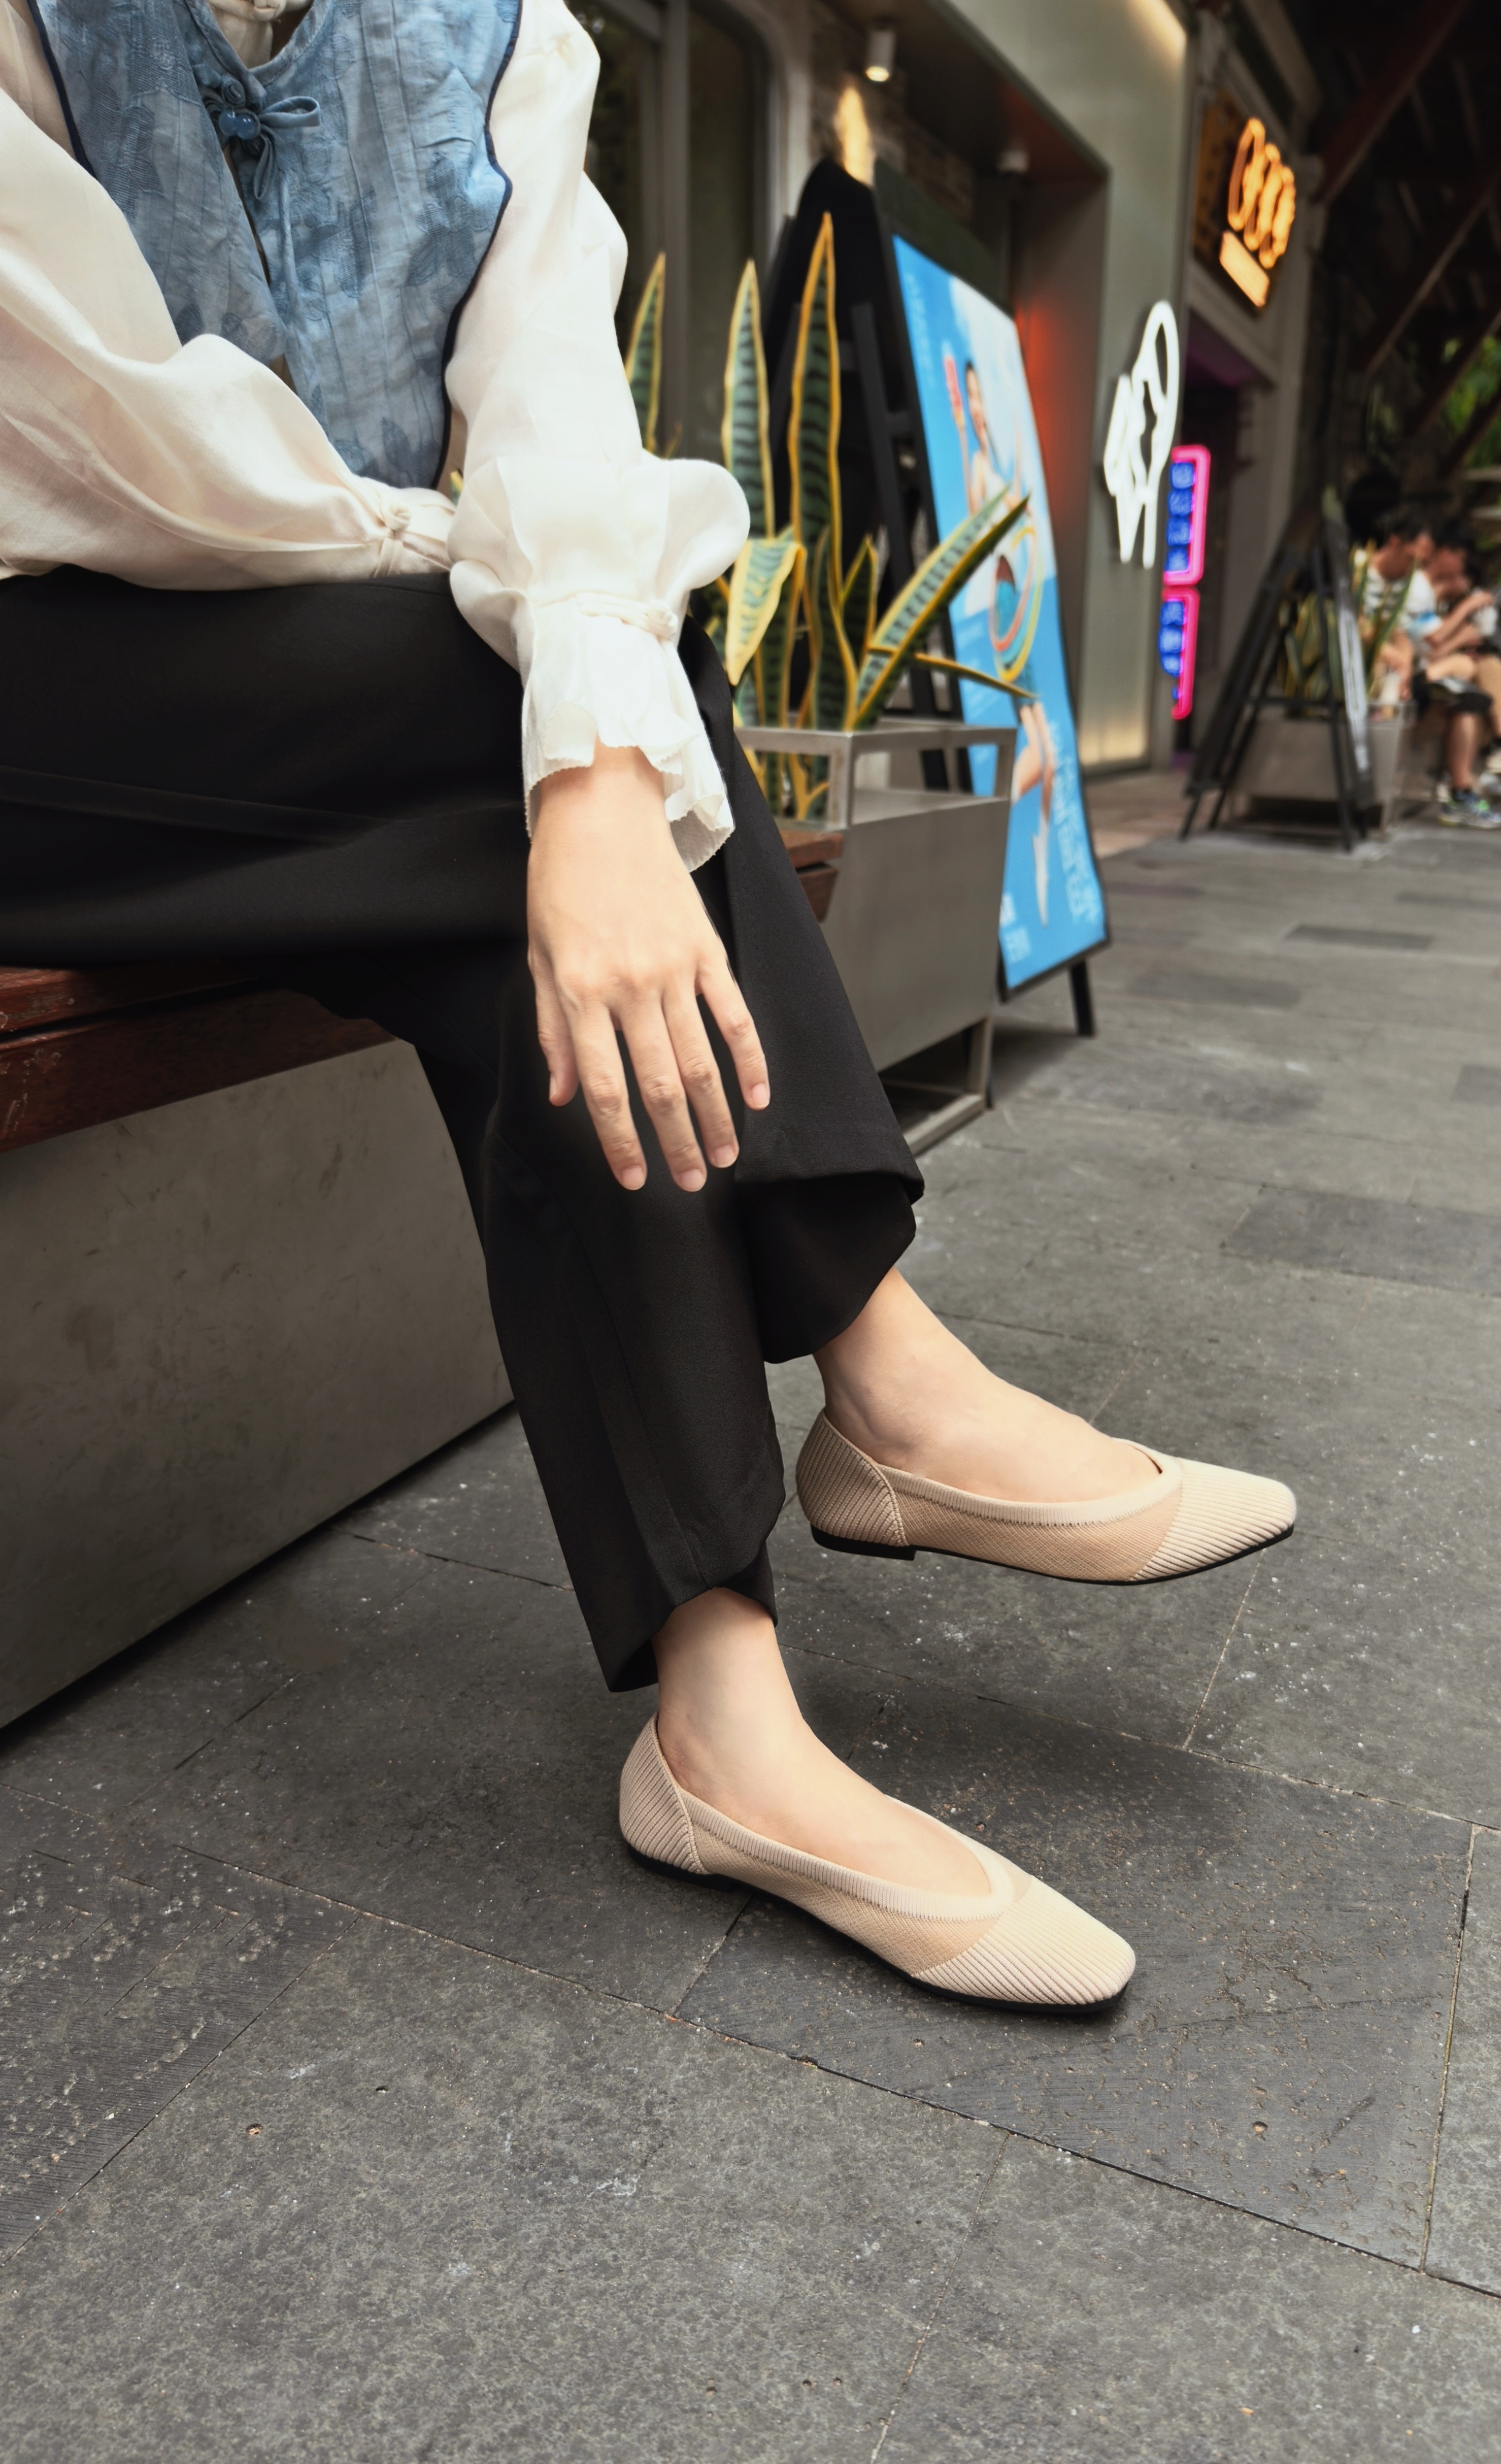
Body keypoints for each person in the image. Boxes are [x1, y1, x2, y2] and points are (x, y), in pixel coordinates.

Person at [0, 0, 1296, 2004]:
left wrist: (579, 754)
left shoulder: (496, 25)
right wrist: (513, 635)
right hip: (55, 694)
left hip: (317, 735)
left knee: (569, 816)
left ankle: (724, 1717)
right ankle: (885, 1377)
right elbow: (109, 448)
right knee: (551, 711)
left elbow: (555, 402)